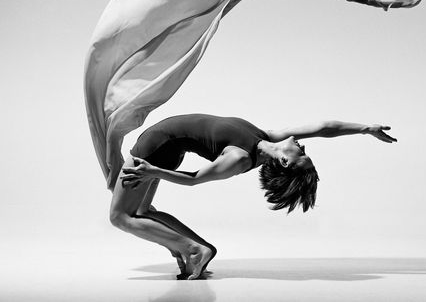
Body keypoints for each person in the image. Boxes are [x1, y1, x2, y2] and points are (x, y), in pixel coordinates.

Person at [109, 113, 396, 280]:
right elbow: (323, 128)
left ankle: (194, 251)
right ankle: (194, 248)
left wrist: (152, 171)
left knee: (120, 218)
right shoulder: (266, 138)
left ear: (285, 162)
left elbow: (194, 180)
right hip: (164, 148)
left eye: (303, 156)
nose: (304, 147)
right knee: (143, 211)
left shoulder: (238, 158)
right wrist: (364, 129)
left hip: (154, 152)